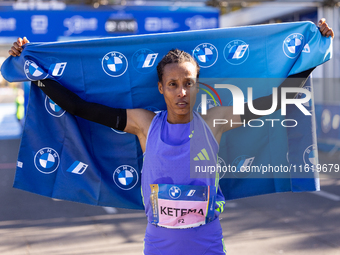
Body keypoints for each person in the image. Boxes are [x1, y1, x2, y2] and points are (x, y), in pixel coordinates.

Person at [9, 19, 334, 255]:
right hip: (159, 246)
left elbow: (271, 104)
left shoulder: (214, 122)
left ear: (197, 85)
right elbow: (80, 108)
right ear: (161, 88)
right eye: (174, 84)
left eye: (189, 83)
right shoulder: (144, 124)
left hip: (207, 245)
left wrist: (312, 54)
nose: (182, 91)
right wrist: (34, 71)